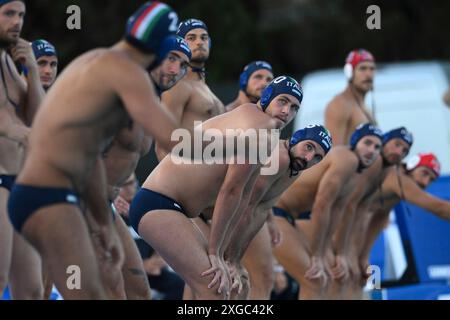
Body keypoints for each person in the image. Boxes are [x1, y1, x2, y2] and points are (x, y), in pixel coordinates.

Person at [7, 1, 184, 299]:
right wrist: (240, 143)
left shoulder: (102, 65)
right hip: (52, 195)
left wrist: (104, 222)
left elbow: (90, 159)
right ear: (158, 49)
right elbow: (175, 138)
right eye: (172, 58)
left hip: (81, 197)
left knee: (132, 290)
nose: (175, 69)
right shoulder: (126, 73)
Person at [129, 76, 303, 299]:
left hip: (176, 208)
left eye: (294, 107)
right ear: (267, 98)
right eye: (283, 101)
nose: (287, 111)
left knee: (235, 285)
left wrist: (230, 258)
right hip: (159, 203)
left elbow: (244, 201)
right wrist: (216, 253)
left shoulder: (267, 133)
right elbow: (231, 191)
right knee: (215, 287)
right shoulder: (260, 127)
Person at [91, 35, 192, 299]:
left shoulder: (152, 104)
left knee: (138, 291)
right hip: (81, 200)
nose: (175, 70)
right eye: (171, 59)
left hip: (105, 204)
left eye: (183, 65)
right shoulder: (124, 94)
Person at [271, 123, 383, 299]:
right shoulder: (347, 159)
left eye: (377, 147)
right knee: (314, 279)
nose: (372, 150)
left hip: (286, 217)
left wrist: (339, 254)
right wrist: (318, 254)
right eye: (367, 143)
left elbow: (338, 215)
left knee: (330, 274)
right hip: (273, 214)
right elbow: (321, 206)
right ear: (355, 141)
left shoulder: (355, 174)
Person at [350, 153, 450, 299]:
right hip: (321, 226)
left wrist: (363, 257)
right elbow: (439, 207)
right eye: (424, 173)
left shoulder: (392, 195)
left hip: (342, 236)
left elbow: (376, 223)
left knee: (354, 283)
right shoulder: (396, 177)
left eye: (431, 180)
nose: (425, 182)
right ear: (412, 164)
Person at [330, 126, 413, 299]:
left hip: (332, 226)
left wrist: (361, 255)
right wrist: (343, 252)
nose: (399, 152)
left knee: (352, 278)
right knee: (329, 280)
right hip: (313, 220)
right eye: (397, 144)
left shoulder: (385, 169)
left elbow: (368, 214)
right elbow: (347, 206)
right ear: (384, 141)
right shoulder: (373, 164)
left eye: (404, 150)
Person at [0, 0, 45, 299]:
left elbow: (37, 117)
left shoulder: (8, 61)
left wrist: (30, 67)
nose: (17, 21)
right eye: (8, 14)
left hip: (19, 182)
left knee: (31, 290)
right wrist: (21, 132)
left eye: (21, 15)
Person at [156, 18, 224, 159]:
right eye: (191, 38)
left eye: (204, 37)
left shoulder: (206, 91)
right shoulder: (177, 86)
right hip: (185, 178)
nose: (199, 42)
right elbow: (162, 146)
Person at [325, 49, 376, 145]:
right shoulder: (339, 104)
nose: (369, 74)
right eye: (363, 68)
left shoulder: (364, 107)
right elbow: (334, 152)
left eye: (372, 69)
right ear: (349, 72)